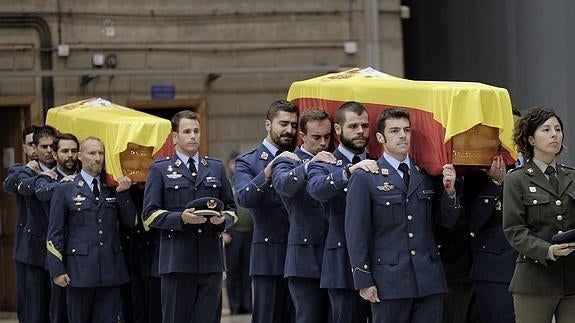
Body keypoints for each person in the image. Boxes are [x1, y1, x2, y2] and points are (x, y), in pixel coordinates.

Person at [345, 108, 460, 323]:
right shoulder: (366, 177)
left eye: (406, 130)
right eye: (395, 130)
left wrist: (450, 191)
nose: (402, 136)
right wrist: (363, 279)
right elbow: (356, 233)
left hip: (428, 278)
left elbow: (446, 222)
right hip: (389, 280)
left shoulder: (425, 175)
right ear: (380, 137)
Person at [142, 110, 237, 323]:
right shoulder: (160, 169)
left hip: (210, 261)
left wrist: (223, 221)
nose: (193, 136)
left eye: (196, 131)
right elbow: (148, 216)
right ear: (175, 137)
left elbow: (232, 210)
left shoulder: (215, 167)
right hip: (177, 261)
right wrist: (180, 219)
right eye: (186, 131)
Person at [46, 137, 136, 323]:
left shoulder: (111, 187)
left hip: (111, 270)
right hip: (79, 272)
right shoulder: (66, 189)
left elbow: (131, 222)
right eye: (92, 153)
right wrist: (57, 269)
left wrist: (123, 194)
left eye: (101, 153)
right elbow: (55, 232)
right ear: (80, 156)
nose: (97, 158)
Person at [503, 107, 575, 323]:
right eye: (546, 129)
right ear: (530, 139)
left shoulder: (571, 175)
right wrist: (548, 250)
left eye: (558, 129)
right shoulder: (516, 180)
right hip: (535, 280)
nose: (555, 134)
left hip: (572, 279)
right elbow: (514, 231)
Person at [306, 101, 374, 323]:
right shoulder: (325, 162)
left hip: (380, 263)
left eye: (364, 125)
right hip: (342, 265)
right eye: (353, 126)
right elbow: (317, 189)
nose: (360, 131)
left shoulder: (378, 162)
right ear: (338, 129)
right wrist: (348, 171)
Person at [234, 100, 298, 323]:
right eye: (283, 124)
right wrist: (268, 171)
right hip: (269, 257)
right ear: (268, 124)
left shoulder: (301, 158)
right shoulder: (248, 161)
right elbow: (244, 198)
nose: (289, 130)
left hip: (301, 255)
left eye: (293, 124)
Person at [272, 108, 336, 323]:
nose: (323, 142)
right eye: (316, 137)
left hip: (333, 254)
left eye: (327, 137)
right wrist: (310, 164)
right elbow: (283, 186)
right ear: (302, 136)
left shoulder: (334, 159)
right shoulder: (289, 159)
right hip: (305, 258)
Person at [463, 109, 522, 323]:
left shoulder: (534, 167)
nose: (513, 138)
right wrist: (496, 182)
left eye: (518, 130)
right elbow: (473, 222)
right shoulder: (477, 170)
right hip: (496, 268)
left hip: (533, 265)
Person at [32, 133, 79, 323]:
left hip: (86, 259)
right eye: (65, 151)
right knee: (59, 313)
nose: (70, 155)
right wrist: (61, 185)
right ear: (55, 153)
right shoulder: (47, 178)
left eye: (74, 151)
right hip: (58, 257)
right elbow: (41, 193)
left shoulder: (90, 177)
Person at [16, 125, 58, 323]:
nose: (48, 150)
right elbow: (13, 184)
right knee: (34, 309)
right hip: (34, 250)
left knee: (58, 310)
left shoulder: (67, 172)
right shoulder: (25, 171)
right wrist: (38, 175)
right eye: (42, 146)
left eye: (52, 146)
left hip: (61, 251)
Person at [2, 125, 39, 322]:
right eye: (30, 144)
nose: (35, 149)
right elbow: (9, 184)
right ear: (24, 147)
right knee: (27, 302)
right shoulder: (19, 169)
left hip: (52, 246)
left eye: (38, 144)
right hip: (26, 246)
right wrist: (27, 169)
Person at [223, 151, 253, 315]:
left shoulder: (248, 181)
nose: (235, 166)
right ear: (228, 165)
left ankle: (248, 306)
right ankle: (235, 307)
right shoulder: (226, 184)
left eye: (238, 163)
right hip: (232, 234)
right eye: (232, 163)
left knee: (247, 272)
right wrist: (223, 232)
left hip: (250, 233)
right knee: (233, 272)